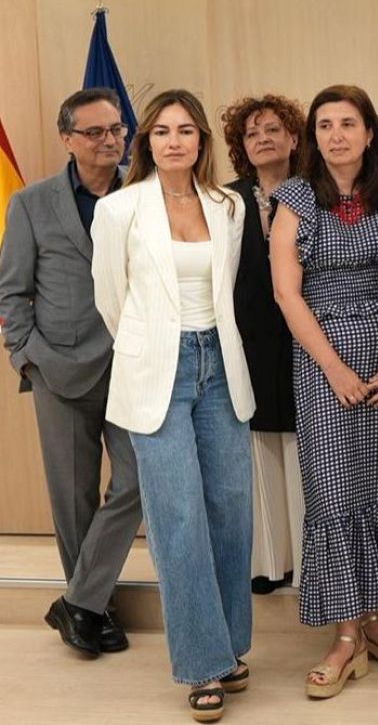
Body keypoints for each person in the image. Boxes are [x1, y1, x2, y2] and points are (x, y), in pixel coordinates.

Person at [270, 85, 378, 698]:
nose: (336, 134)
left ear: (372, 133)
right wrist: (336, 371)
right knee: (335, 490)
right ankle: (347, 635)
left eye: (349, 123)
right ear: (312, 137)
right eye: (324, 125)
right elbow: (288, 295)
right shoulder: (292, 200)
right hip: (324, 361)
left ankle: (370, 620)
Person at [89, 89, 254, 722]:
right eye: (162, 131)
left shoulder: (228, 205)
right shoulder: (119, 209)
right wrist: (154, 344)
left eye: (186, 130)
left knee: (231, 510)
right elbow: (112, 297)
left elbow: (227, 288)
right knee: (178, 518)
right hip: (158, 370)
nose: (175, 141)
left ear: (202, 142)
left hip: (221, 364)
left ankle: (230, 646)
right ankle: (201, 666)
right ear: (146, 142)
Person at [0, 88, 141, 658]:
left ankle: (78, 600)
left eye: (116, 131)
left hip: (133, 366)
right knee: (73, 497)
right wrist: (25, 353)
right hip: (58, 368)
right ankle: (95, 612)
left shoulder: (145, 196)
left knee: (137, 483)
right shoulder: (32, 203)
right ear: (68, 139)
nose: (109, 141)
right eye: (95, 132)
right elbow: (12, 290)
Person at [218, 94, 306, 595]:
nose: (263, 139)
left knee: (300, 448)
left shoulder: (315, 196)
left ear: (294, 138)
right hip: (246, 342)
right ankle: (268, 564)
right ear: (240, 147)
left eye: (273, 129)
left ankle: (308, 564)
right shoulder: (225, 202)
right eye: (252, 133)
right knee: (257, 449)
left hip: (302, 340)